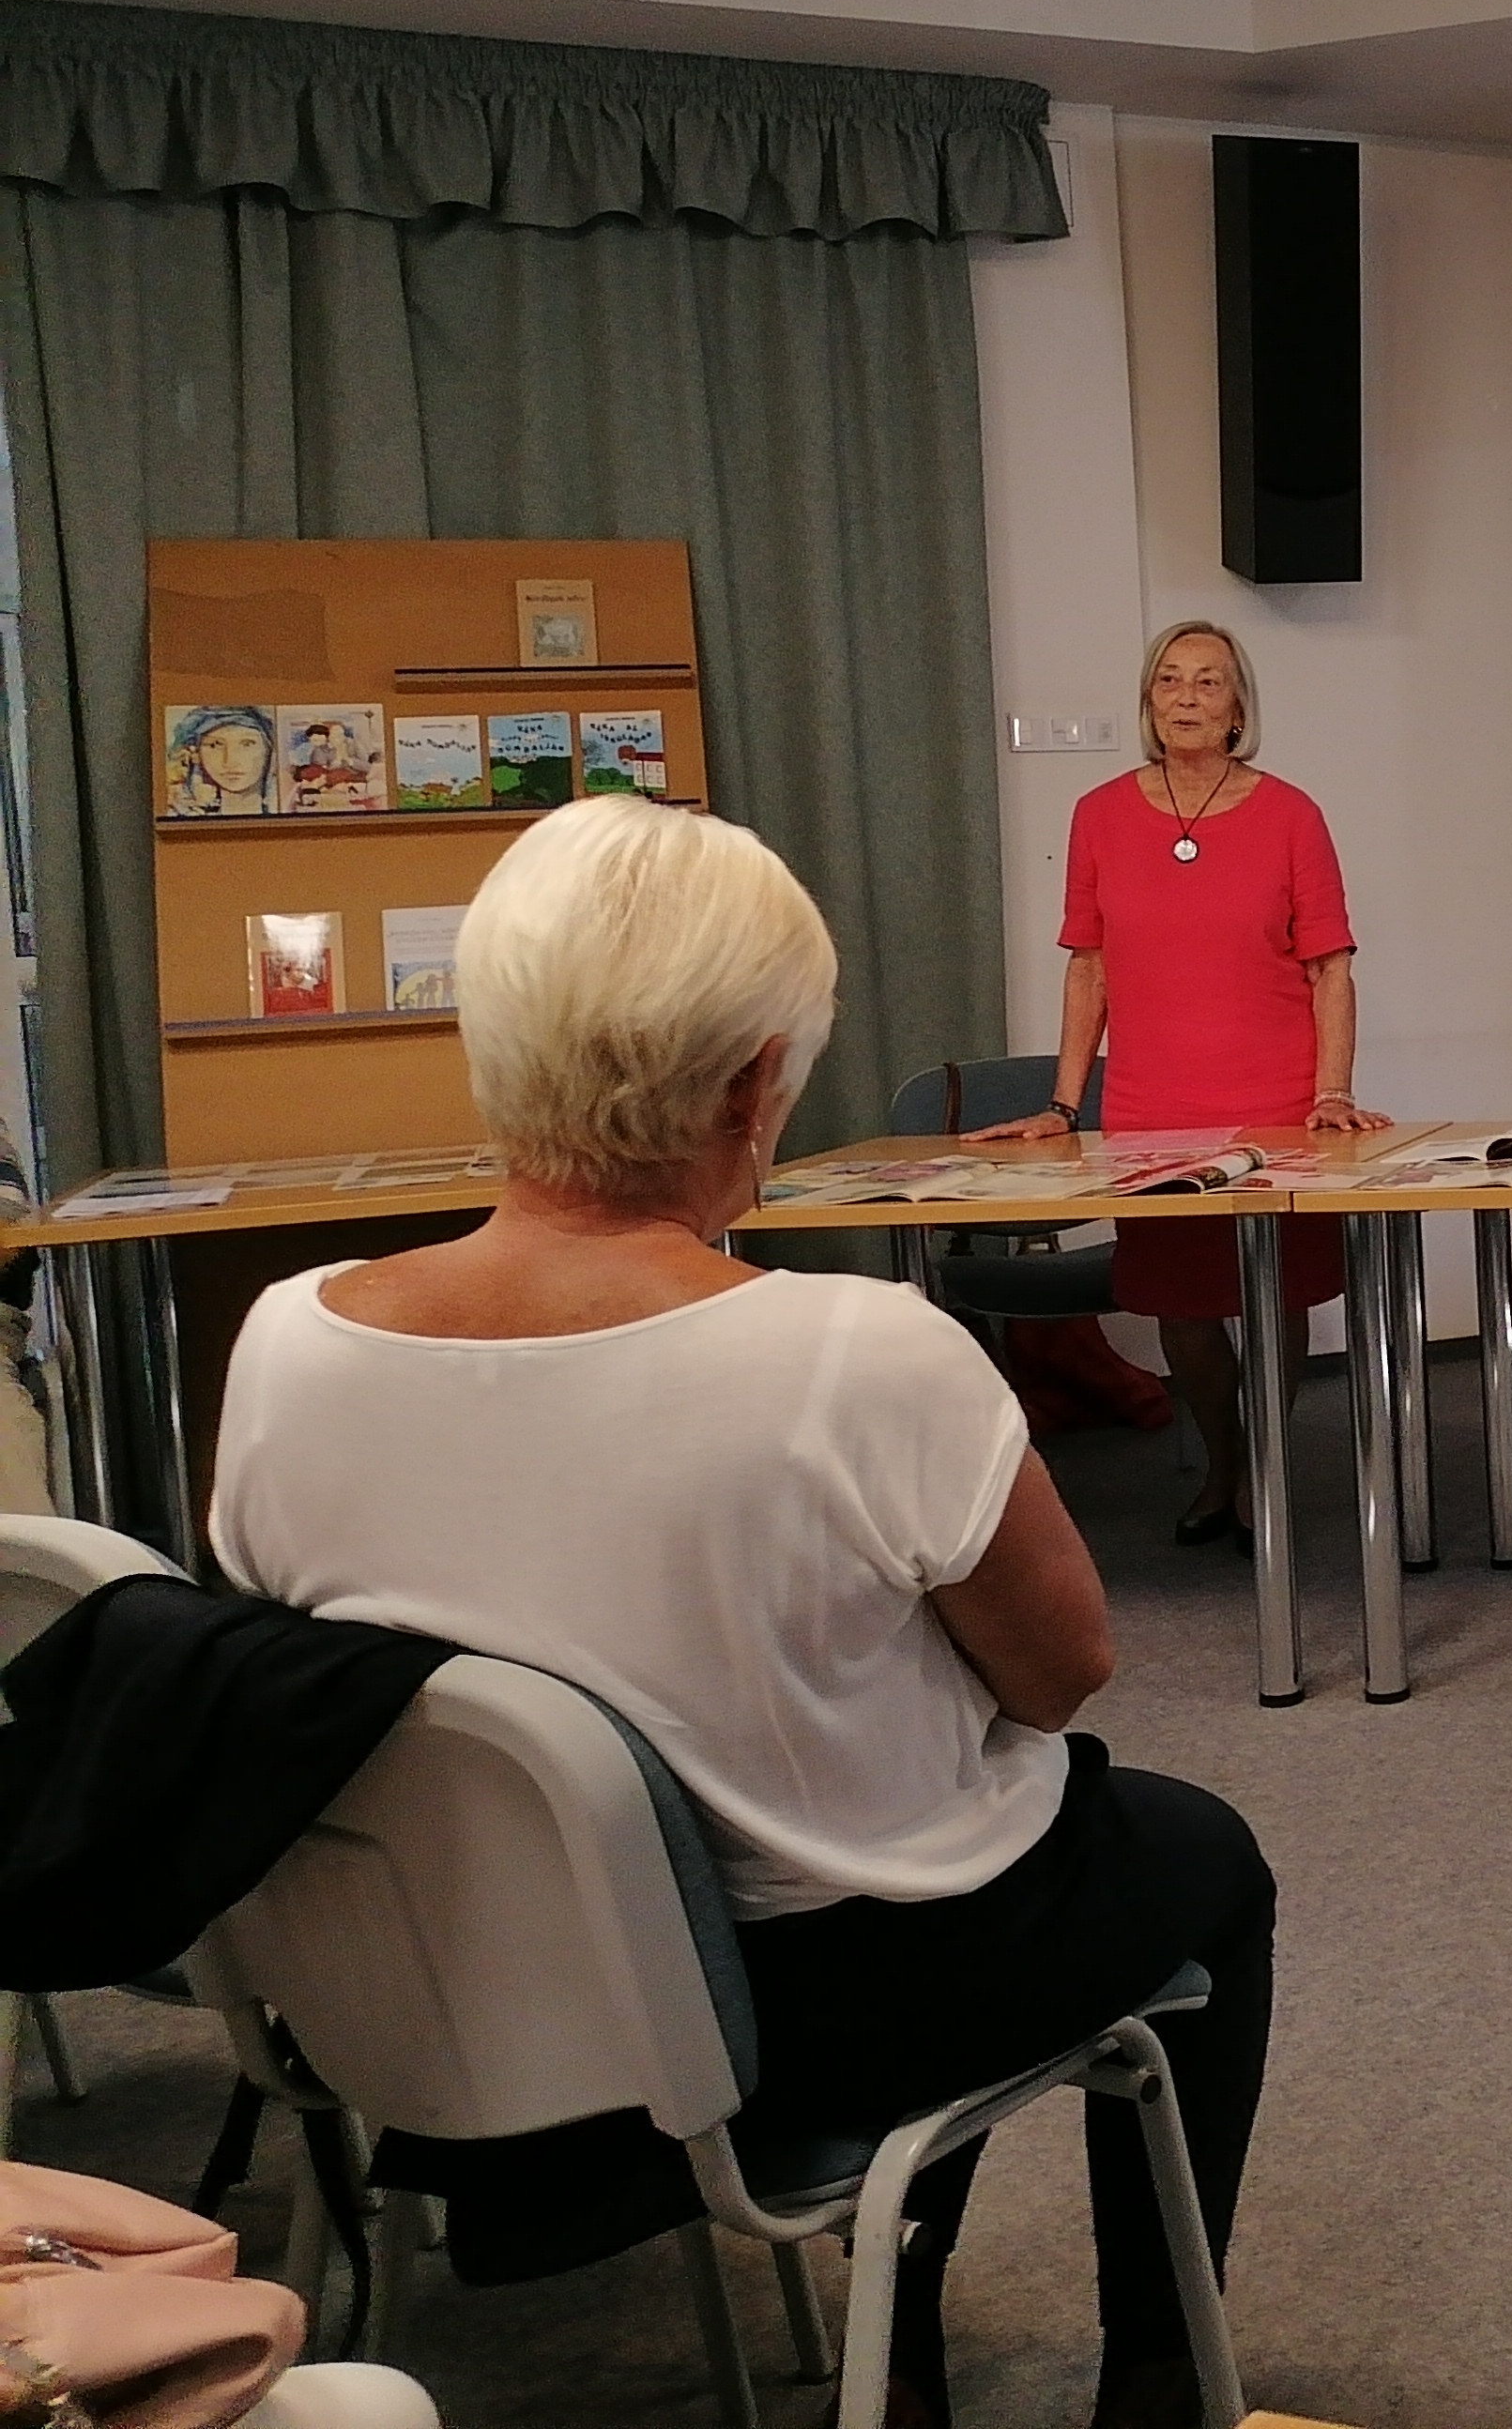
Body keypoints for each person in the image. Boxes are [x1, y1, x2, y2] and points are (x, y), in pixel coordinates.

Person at [211, 797, 1271, 2429]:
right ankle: (1152, 2381)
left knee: (931, 1824)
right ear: (752, 1083)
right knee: (1182, 1856)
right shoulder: (859, 1353)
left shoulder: (285, 1343)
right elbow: (1060, 1677)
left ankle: (903, 2353)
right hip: (803, 2017)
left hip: (436, 1994)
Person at [971, 621, 1389, 1546]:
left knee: (1274, 1295)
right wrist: (1063, 1102)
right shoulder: (1099, 814)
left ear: (1239, 708)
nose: (1187, 696)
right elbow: (1088, 966)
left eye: (1208, 681)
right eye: (1169, 680)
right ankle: (1227, 1461)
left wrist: (1331, 1090)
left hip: (1275, 1103)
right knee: (1184, 1307)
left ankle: (1265, 1471)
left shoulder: (1291, 814)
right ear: (1149, 701)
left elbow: (1331, 967)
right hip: (1151, 1107)